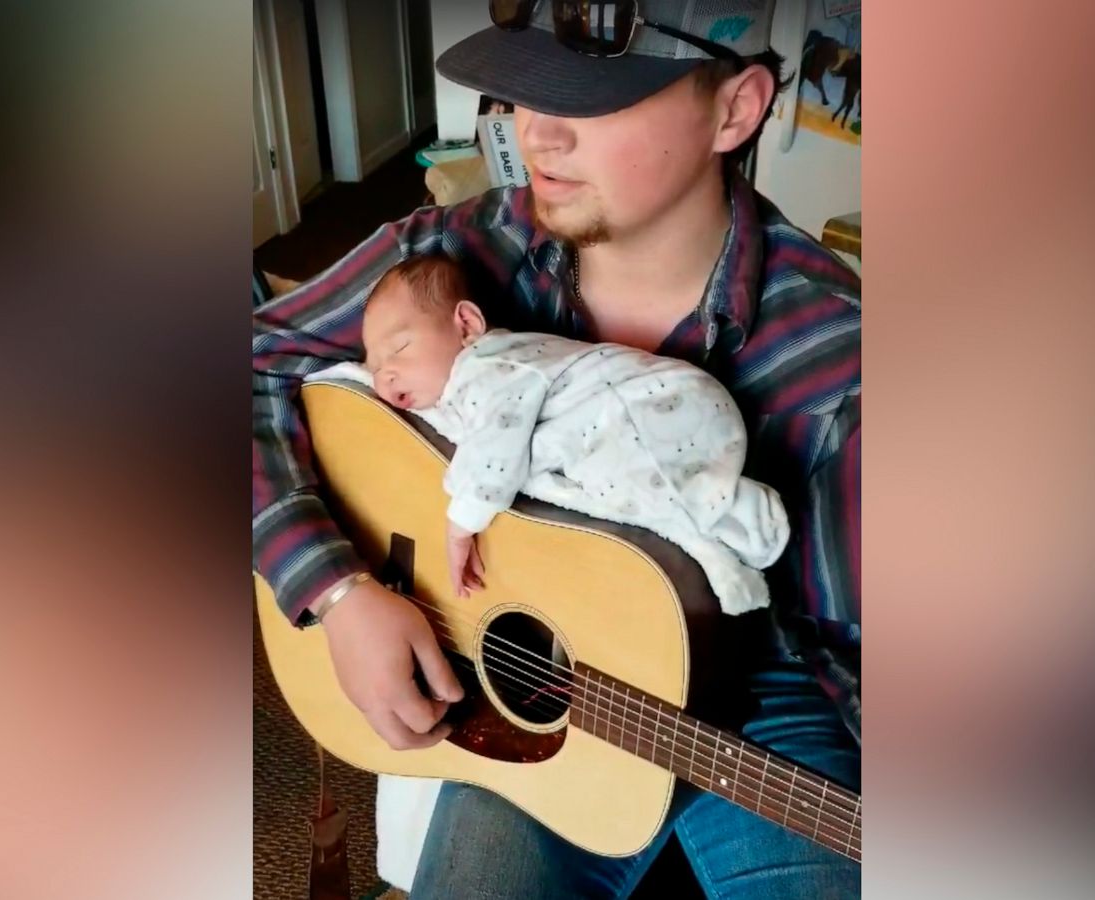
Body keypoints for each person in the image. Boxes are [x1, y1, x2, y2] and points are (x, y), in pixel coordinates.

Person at [253, 1, 860, 896]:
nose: (536, 136)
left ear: (734, 111)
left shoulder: (840, 360)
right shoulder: (459, 252)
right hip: (532, 668)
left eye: (592, 101)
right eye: (526, 95)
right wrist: (336, 591)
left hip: (765, 690)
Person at [338, 253, 789, 613]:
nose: (386, 375)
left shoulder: (489, 366)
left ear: (467, 326)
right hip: (677, 410)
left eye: (398, 348)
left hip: (660, 401)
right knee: (616, 480)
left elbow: (497, 444)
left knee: (624, 470)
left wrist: (461, 525)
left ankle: (727, 508)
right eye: (375, 367)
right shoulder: (458, 383)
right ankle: (710, 515)